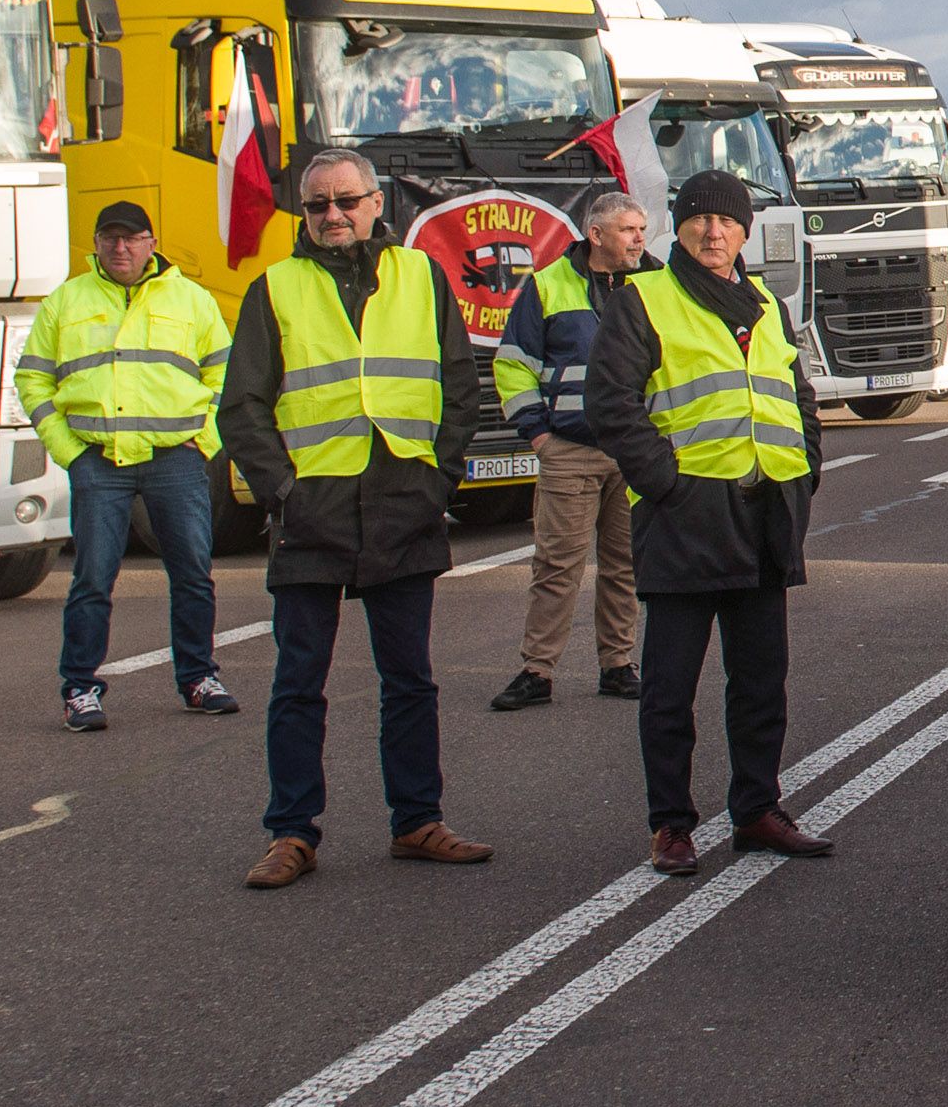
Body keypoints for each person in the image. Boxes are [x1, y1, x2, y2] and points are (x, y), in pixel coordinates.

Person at [219, 146, 496, 887]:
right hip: (313, 509)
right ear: (304, 213)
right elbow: (241, 408)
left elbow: (460, 385)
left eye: (347, 200)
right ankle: (291, 832)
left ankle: (417, 820)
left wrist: (437, 479)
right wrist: (283, 492)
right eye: (318, 204)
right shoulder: (275, 287)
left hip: (404, 499)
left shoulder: (421, 275)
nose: (333, 215)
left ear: (377, 204)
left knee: (409, 679)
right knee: (298, 683)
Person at [586, 166, 830, 872]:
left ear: (745, 231)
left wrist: (806, 467)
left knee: (761, 682)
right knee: (670, 689)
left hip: (765, 515)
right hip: (685, 518)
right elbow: (611, 403)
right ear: (680, 226)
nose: (713, 231)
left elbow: (798, 393)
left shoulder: (766, 303)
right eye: (699, 218)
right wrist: (664, 482)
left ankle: (757, 809)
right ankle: (671, 826)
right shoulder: (644, 300)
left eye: (726, 219)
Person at [16, 199, 239, 731]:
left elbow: (226, 375)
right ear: (95, 244)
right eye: (110, 238)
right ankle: (80, 689)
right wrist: (70, 452)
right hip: (98, 461)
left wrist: (204, 442)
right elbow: (32, 380)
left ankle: (198, 678)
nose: (120, 248)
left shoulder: (192, 299)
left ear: (151, 244)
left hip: (176, 459)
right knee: (92, 579)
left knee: (193, 575)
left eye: (131, 238)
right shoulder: (66, 300)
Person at [485, 184, 650, 712]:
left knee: (626, 565)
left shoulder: (656, 282)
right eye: (628, 230)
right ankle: (538, 671)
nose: (638, 240)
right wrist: (538, 435)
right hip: (571, 451)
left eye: (642, 230)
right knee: (557, 568)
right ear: (595, 234)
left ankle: (618, 665)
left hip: (636, 452)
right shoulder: (548, 285)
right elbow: (513, 364)